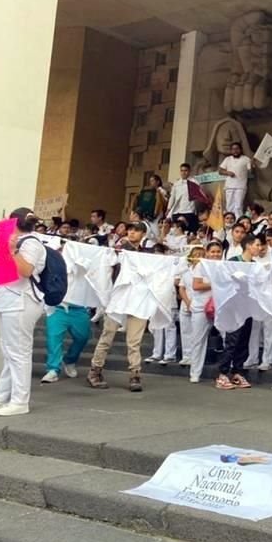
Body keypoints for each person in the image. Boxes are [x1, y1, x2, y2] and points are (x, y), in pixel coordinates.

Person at [0, 208, 47, 416]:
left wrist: (12, 250)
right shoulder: (16, 241)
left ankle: (20, 401)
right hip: (8, 300)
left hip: (22, 302)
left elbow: (26, 271)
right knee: (9, 352)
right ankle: (1, 397)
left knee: (19, 352)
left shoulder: (30, 242)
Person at [88, 222, 151, 392]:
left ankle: (135, 374)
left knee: (134, 341)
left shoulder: (148, 254)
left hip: (138, 299)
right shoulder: (119, 249)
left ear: (143, 233)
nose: (131, 232)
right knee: (107, 336)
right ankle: (95, 370)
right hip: (118, 297)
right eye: (130, 229)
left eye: (136, 230)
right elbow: (107, 266)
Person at [215, 234, 261, 390]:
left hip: (247, 306)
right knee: (232, 340)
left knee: (243, 340)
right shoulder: (234, 262)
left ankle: (237, 371)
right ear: (248, 245)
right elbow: (224, 281)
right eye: (257, 245)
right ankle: (222, 373)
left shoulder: (255, 265)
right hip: (233, 307)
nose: (259, 248)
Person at [183, 242, 221, 383]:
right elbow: (196, 285)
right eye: (213, 252)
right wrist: (215, 283)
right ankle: (195, 373)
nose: (215, 254)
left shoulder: (223, 266)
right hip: (200, 307)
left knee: (228, 338)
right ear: (207, 252)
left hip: (220, 307)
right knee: (198, 340)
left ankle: (226, 370)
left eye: (218, 251)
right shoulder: (200, 265)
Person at [218, 142, 254, 217]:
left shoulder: (246, 159)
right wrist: (228, 172)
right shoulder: (227, 159)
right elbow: (220, 171)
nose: (235, 151)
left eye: (237, 149)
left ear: (240, 150)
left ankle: (238, 223)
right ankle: (229, 223)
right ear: (231, 151)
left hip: (240, 186)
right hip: (229, 186)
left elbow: (251, 171)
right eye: (233, 149)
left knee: (238, 206)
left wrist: (253, 164)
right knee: (229, 206)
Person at [166, 163, 201, 232]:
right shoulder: (177, 183)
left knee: (188, 230)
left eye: (185, 170)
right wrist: (168, 208)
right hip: (177, 211)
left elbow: (198, 197)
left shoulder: (194, 182)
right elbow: (172, 197)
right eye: (182, 171)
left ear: (189, 171)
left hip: (189, 210)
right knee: (177, 230)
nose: (183, 173)